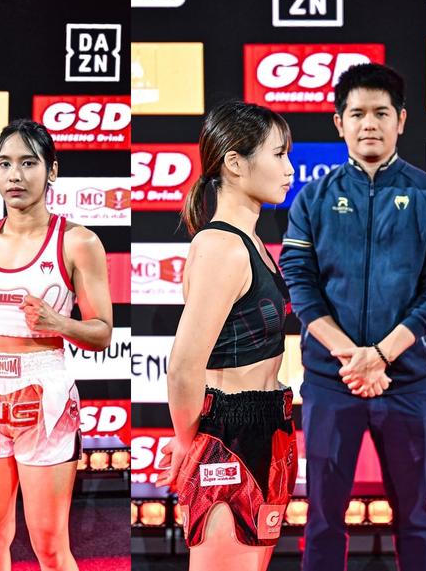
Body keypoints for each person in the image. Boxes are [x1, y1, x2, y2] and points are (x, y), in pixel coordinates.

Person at [278, 63, 426, 571]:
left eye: (381, 112)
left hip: (406, 384)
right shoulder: (313, 198)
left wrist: (381, 355)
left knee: (417, 519)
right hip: (331, 383)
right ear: (339, 123)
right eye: (357, 113)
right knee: (322, 520)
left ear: (401, 120)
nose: (369, 124)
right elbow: (300, 285)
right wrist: (353, 359)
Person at [0, 119, 113, 571]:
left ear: (51, 170)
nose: (15, 175)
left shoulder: (78, 242)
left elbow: (102, 332)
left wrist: (57, 322)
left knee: (49, 546)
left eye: (28, 163)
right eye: (5, 164)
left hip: (45, 395)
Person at [156, 101, 297, 571]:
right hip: (227, 436)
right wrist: (187, 442)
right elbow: (183, 367)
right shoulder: (220, 246)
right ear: (235, 163)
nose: (289, 169)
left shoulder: (252, 242)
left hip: (269, 427)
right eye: (278, 155)